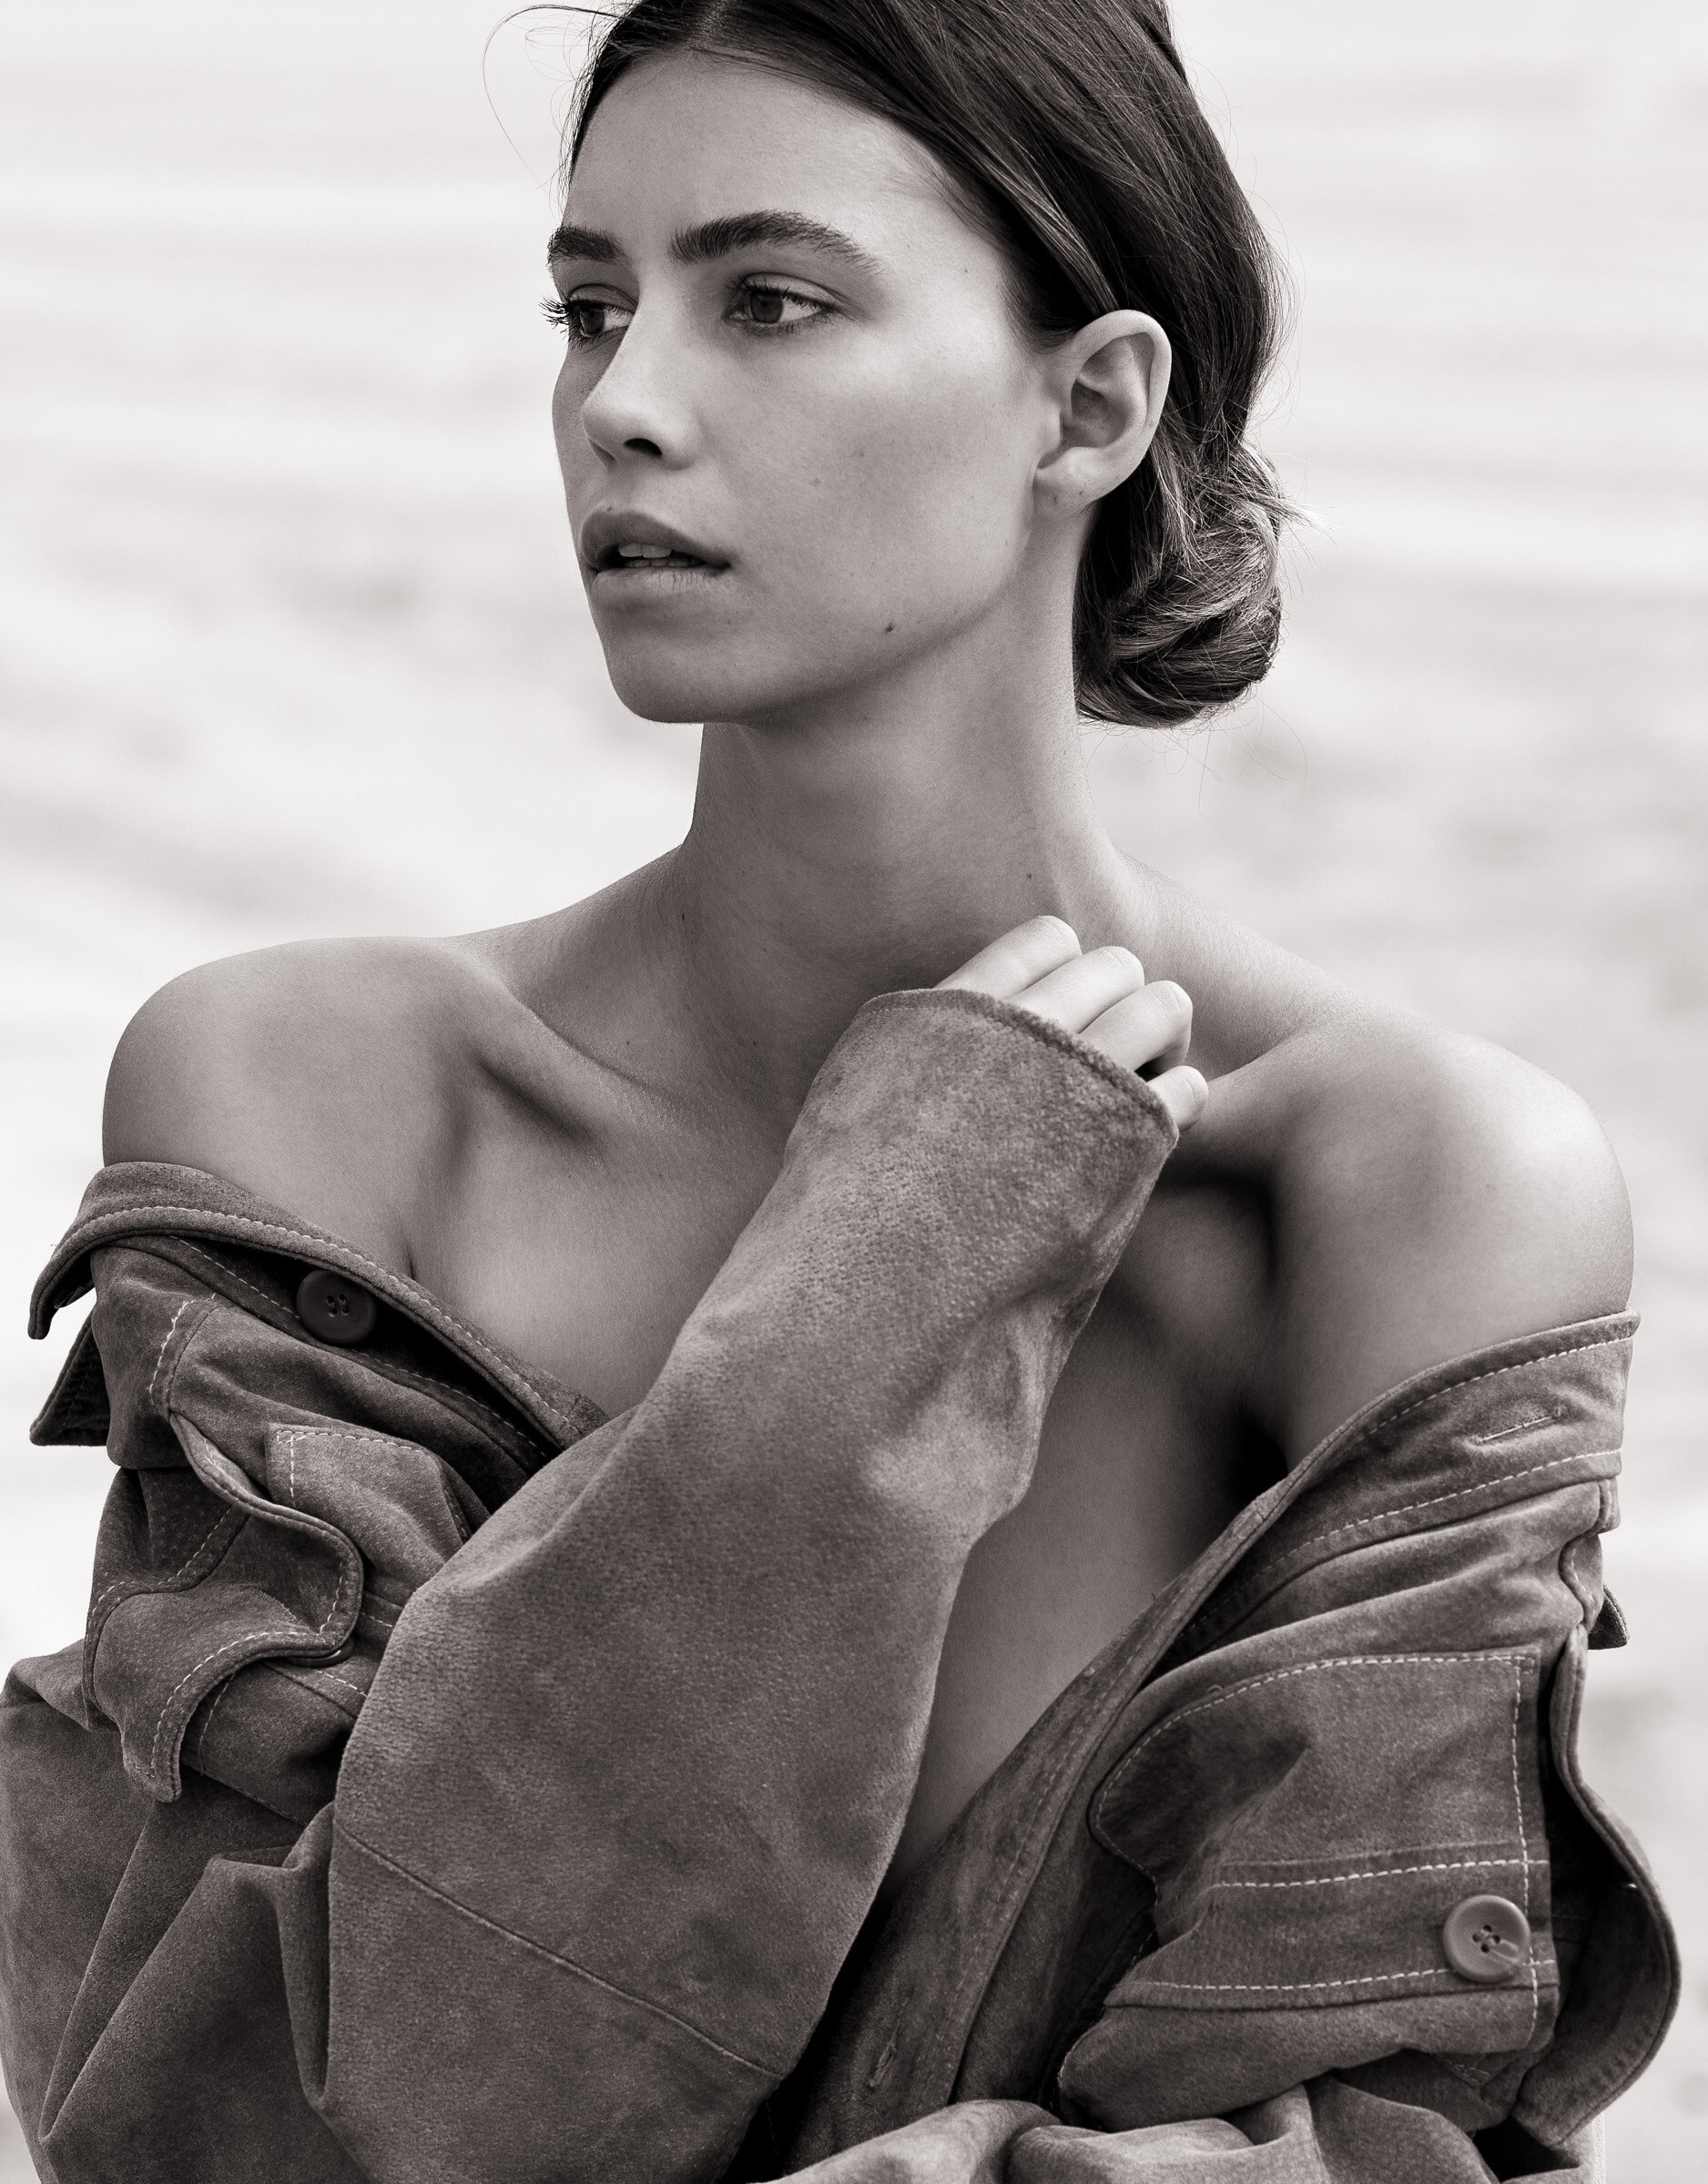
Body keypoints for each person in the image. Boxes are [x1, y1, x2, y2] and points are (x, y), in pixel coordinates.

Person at [0, 2, 1676, 2179]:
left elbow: (1362, 2148)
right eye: (587, 307)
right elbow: (268, 2129)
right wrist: (869, 1304)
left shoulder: (1406, 1188)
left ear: (1086, 406)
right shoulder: (321, 1106)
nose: (625, 403)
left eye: (769, 303)